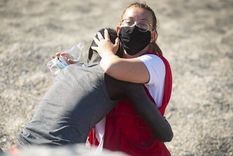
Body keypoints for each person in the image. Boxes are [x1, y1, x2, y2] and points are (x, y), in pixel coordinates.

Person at [16, 28, 172, 148]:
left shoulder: (70, 70)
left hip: (24, 141)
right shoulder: (119, 79)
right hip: (59, 148)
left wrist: (76, 66)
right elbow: (166, 134)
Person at [90, 2, 173, 156]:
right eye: (128, 22)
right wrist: (70, 66)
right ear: (119, 29)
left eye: (143, 25)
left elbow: (113, 68)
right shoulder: (112, 60)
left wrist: (106, 51)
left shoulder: (155, 63)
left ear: (153, 36)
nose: (134, 28)